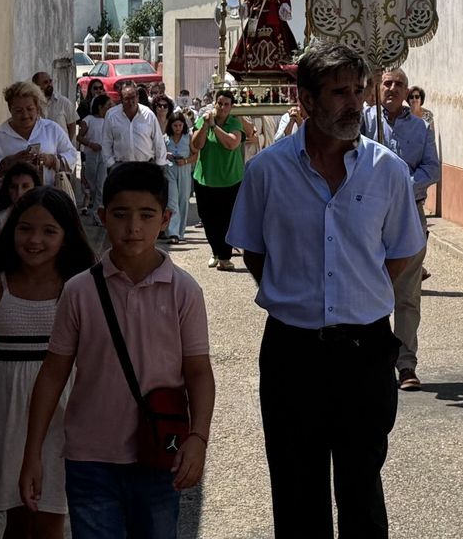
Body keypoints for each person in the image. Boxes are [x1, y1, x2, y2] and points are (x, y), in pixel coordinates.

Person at [227, 43, 424, 538]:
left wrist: (360, 287)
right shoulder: (266, 172)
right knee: (296, 494)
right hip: (292, 353)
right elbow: (254, 251)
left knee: (362, 489)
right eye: (339, 92)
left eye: (359, 90)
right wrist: (298, 292)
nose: (354, 102)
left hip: (365, 352)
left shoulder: (388, 171)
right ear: (308, 100)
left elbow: (401, 253)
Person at [22, 161, 215, 538]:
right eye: (122, 215)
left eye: (146, 215)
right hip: (90, 459)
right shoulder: (79, 290)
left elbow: (198, 371)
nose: (133, 227)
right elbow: (53, 373)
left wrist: (199, 438)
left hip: (160, 453)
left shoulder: (183, 290)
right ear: (102, 217)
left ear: (166, 218)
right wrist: (32, 452)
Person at [0, 187, 95, 539]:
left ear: (67, 235)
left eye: (49, 231)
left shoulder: (78, 286)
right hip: (10, 405)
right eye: (25, 228)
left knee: (51, 515)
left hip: (63, 404)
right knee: (16, 513)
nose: (34, 239)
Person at [361, 68, 440, 391]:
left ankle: (406, 363)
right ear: (379, 88)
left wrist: (401, 184)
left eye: (399, 84)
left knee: (407, 295)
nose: (392, 88)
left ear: (408, 91)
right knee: (366, 289)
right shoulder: (364, 121)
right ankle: (370, 359)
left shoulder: (420, 128)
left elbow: (432, 168)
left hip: (409, 214)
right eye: (387, 83)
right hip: (367, 216)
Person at [194, 89, 253, 271]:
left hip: (230, 180)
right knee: (208, 218)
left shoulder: (234, 122)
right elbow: (196, 145)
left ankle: (225, 256)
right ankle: (215, 252)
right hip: (205, 179)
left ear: (231, 107)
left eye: (227, 104)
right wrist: (205, 125)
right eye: (220, 103)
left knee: (226, 219)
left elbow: (231, 144)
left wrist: (214, 127)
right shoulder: (203, 120)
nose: (223, 107)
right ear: (214, 104)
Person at [0, 82, 79, 190]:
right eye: (19, 111)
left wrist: (51, 160)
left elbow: (72, 156)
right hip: (9, 204)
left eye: (30, 109)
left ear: (37, 108)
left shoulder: (52, 129)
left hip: (46, 201)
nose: (25, 115)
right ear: (10, 109)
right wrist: (11, 161)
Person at [35, 71, 81, 203]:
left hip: (60, 161)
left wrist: (63, 145)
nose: (49, 84)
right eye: (44, 83)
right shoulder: (34, 105)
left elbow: (72, 126)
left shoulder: (64, 103)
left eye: (50, 81)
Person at [105, 83, 167, 168]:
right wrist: (111, 164)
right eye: (126, 99)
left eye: (133, 98)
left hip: (145, 167)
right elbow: (106, 142)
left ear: (137, 97)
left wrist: (160, 164)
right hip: (121, 168)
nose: (130, 102)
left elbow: (158, 141)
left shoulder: (148, 114)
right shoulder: (112, 116)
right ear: (121, 99)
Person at [162, 112, 195, 245]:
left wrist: (186, 160)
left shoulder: (189, 137)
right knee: (172, 201)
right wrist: (166, 154)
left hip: (184, 170)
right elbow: (159, 155)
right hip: (170, 171)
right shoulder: (166, 138)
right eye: (175, 125)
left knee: (183, 201)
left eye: (180, 125)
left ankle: (180, 232)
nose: (177, 128)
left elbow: (196, 155)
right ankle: (173, 232)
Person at [0, 164, 45, 245]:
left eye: (25, 186)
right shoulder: (2, 218)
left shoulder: (46, 215)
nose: (19, 193)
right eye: (14, 187)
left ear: (35, 187)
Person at [80, 93, 112, 214]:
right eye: (108, 105)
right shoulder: (88, 120)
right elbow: (79, 137)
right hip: (91, 155)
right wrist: (90, 144)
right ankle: (91, 202)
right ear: (100, 107)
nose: (110, 108)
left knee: (101, 185)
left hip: (104, 156)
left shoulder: (109, 121)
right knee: (91, 182)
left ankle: (98, 213)